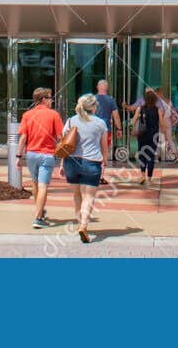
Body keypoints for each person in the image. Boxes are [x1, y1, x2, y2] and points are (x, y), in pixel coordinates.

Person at [60, 92, 110, 243]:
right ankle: (83, 225)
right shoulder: (100, 123)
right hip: (91, 162)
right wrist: (105, 162)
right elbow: (104, 147)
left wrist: (62, 163)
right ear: (93, 107)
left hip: (71, 162)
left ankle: (79, 224)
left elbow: (64, 144)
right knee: (89, 197)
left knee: (77, 196)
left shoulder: (70, 121)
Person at [18, 87, 63, 229]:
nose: (52, 100)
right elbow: (60, 137)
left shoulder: (27, 115)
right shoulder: (54, 115)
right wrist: (63, 157)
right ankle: (38, 218)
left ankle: (39, 209)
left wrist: (18, 156)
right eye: (50, 98)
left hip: (31, 154)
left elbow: (23, 137)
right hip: (47, 154)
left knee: (35, 183)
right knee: (43, 185)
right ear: (43, 99)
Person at [132, 88, 162, 187]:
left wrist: (133, 128)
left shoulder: (140, 108)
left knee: (142, 155)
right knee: (151, 156)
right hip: (153, 135)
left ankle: (142, 176)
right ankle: (149, 178)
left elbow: (133, 120)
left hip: (142, 134)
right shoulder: (158, 109)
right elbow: (161, 123)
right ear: (154, 99)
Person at [92, 79, 120, 184]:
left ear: (97, 87)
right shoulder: (111, 100)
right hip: (105, 130)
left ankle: (93, 174)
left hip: (93, 130)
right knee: (104, 152)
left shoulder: (92, 99)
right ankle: (101, 176)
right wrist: (119, 129)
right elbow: (116, 116)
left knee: (93, 151)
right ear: (107, 88)